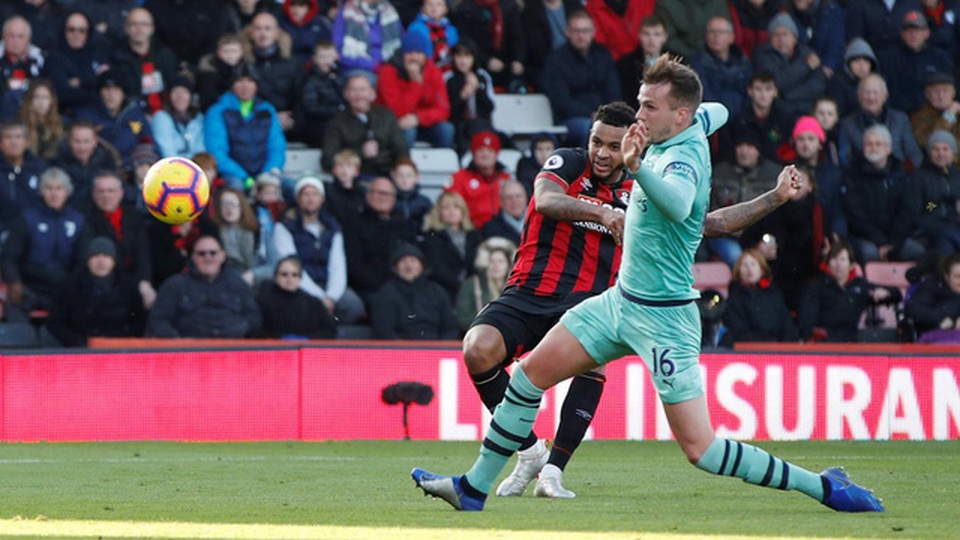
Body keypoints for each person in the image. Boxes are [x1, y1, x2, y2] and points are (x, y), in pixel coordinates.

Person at [411, 55, 885, 513]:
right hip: (618, 302)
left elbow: (681, 207)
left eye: (648, 107)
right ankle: (473, 488)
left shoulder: (681, 161)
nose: (639, 115)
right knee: (528, 378)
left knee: (703, 449)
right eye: (640, 103)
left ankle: (822, 485)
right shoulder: (696, 120)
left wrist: (637, 167)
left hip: (665, 318)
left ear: (677, 115)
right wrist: (774, 192)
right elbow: (717, 114)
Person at [273, 174, 366, 324]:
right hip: (299, 285)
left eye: (315, 194)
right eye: (306, 194)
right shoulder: (284, 227)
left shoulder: (332, 228)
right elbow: (291, 266)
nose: (310, 199)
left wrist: (331, 296)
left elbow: (338, 265)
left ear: (321, 199)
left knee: (353, 306)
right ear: (298, 198)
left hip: (327, 285)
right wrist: (320, 297)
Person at [1, 167, 84, 323]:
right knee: (14, 301)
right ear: (41, 191)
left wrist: (74, 285)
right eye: (49, 188)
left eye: (59, 188)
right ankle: (21, 347)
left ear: (67, 192)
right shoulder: (26, 218)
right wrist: (14, 281)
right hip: (30, 288)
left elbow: (83, 259)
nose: (54, 194)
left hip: (65, 289)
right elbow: (9, 256)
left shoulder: (78, 220)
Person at [146, 234, 262, 338]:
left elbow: (253, 318)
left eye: (213, 253)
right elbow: (159, 321)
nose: (208, 258)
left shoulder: (238, 284)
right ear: (194, 258)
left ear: (222, 256)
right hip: (188, 355)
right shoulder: (174, 285)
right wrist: (179, 344)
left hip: (234, 353)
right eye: (202, 253)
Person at [842, 124, 926, 263]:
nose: (873, 148)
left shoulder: (903, 174)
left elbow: (908, 210)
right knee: (869, 253)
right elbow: (854, 214)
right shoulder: (852, 174)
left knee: (917, 251)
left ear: (888, 148)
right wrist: (879, 241)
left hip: (897, 237)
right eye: (869, 144)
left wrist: (892, 242)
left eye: (878, 144)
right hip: (865, 237)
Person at [540, 10, 621, 148]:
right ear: (567, 32)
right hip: (571, 119)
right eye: (576, 31)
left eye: (585, 31)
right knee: (588, 128)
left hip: (604, 116)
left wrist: (607, 114)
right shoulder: (556, 60)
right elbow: (562, 101)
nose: (581, 36)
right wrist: (592, 115)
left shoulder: (603, 55)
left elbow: (613, 91)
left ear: (593, 32)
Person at [203, 63, 287, 194]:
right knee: (236, 188)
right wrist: (245, 178)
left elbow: (277, 147)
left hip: (264, 173)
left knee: (289, 187)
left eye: (250, 81)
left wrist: (268, 173)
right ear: (232, 85)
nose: (245, 86)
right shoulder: (218, 111)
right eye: (240, 81)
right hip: (234, 175)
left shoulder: (267, 109)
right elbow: (217, 152)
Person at [47, 236, 146, 347]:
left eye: (106, 256)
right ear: (87, 260)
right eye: (95, 256)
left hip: (119, 349)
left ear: (114, 260)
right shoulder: (70, 286)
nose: (101, 260)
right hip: (81, 350)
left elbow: (138, 321)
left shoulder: (129, 287)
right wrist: (78, 342)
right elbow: (56, 322)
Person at [79, 170, 156, 309]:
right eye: (101, 191)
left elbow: (142, 253)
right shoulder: (86, 219)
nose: (106, 196)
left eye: (111, 191)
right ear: (94, 195)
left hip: (135, 280)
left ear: (120, 193)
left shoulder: (134, 217)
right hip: (106, 281)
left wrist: (145, 281)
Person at [797, 240, 900, 342]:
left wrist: (886, 293)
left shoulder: (859, 285)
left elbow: (897, 294)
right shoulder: (815, 286)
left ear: (851, 265)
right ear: (827, 264)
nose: (838, 264)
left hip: (850, 345)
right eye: (834, 259)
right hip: (824, 345)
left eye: (842, 260)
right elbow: (806, 325)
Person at [376, 31, 455, 150]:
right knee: (408, 130)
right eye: (409, 53)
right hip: (394, 124)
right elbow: (395, 112)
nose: (414, 57)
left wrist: (418, 118)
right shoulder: (388, 71)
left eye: (418, 53)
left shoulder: (433, 71)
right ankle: (403, 165)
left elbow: (443, 110)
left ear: (424, 56)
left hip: (422, 122)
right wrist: (416, 83)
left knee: (446, 130)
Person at [321, 72, 408, 177]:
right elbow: (327, 159)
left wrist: (400, 169)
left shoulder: (386, 115)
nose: (359, 95)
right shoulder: (336, 122)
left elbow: (401, 149)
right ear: (346, 94)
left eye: (363, 90)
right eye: (353, 90)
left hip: (387, 173)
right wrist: (361, 153)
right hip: (354, 178)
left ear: (372, 94)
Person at [369, 241, 461, 339]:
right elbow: (385, 331)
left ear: (422, 266)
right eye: (403, 261)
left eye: (413, 261)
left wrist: (442, 349)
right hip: (401, 350)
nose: (408, 266)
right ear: (395, 267)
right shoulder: (386, 293)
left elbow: (450, 328)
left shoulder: (437, 291)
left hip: (437, 349)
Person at [74, 67, 155, 175]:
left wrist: (144, 163)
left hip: (131, 171)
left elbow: (146, 140)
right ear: (100, 92)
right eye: (106, 89)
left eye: (116, 89)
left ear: (123, 93)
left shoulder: (135, 114)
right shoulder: (87, 115)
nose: (111, 94)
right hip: (97, 171)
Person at [752, 13, 829, 124]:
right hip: (778, 113)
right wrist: (805, 66)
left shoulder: (808, 53)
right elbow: (776, 81)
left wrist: (787, 95)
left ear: (795, 38)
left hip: (808, 110)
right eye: (776, 35)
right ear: (770, 39)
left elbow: (818, 85)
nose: (781, 39)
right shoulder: (763, 55)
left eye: (785, 34)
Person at [840, 73, 924, 169]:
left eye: (876, 93)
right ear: (859, 96)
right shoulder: (847, 124)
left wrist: (901, 172)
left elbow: (915, 155)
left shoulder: (900, 119)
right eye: (867, 93)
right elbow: (845, 160)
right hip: (863, 178)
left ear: (885, 96)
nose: (871, 98)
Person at [878, 10, 953, 115]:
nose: (913, 34)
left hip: (936, 114)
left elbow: (949, 88)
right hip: (899, 115)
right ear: (902, 34)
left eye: (917, 30)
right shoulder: (889, 59)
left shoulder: (939, 58)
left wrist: (950, 112)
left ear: (927, 33)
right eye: (908, 30)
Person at [108, 7, 180, 114]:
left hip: (167, 113)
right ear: (126, 28)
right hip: (133, 114)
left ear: (152, 28)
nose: (139, 28)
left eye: (144, 24)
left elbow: (173, 84)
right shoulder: (116, 57)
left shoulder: (165, 54)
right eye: (134, 24)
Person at [720, 248, 798, 347]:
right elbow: (740, 332)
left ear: (761, 269)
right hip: (750, 351)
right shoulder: (734, 298)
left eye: (753, 264)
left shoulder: (773, 293)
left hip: (779, 350)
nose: (749, 269)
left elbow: (787, 325)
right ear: (738, 272)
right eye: (744, 265)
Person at [40, 10, 108, 117]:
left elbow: (108, 85)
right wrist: (93, 85)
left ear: (88, 33)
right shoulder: (54, 59)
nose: (76, 34)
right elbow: (59, 93)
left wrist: (80, 82)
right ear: (64, 31)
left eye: (82, 30)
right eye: (71, 30)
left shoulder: (97, 55)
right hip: (65, 116)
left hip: (98, 114)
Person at [244, 12, 300, 136]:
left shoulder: (292, 64)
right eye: (258, 29)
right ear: (251, 33)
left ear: (277, 33)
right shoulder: (243, 64)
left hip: (289, 125)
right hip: (253, 127)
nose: (263, 34)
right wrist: (272, 119)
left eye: (268, 29)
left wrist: (292, 118)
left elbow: (300, 98)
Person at [420, 190, 481, 301]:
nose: (451, 211)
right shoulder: (432, 237)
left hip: (472, 291)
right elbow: (437, 269)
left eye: (456, 207)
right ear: (439, 212)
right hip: (444, 293)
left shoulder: (474, 236)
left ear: (463, 211)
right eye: (446, 207)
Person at [256, 256, 337, 339]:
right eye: (284, 274)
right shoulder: (263, 300)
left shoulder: (312, 303)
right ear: (276, 277)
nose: (289, 279)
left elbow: (329, 330)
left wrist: (309, 340)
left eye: (294, 275)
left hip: (306, 350)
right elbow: (256, 329)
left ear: (300, 278)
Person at [444, 130, 513, 228]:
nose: (485, 155)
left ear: (496, 154)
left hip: (503, 230)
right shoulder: (459, 178)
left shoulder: (506, 178)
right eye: (480, 150)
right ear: (473, 153)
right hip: (470, 230)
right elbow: (449, 207)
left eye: (490, 151)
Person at [689, 16, 753, 120]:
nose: (716, 36)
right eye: (712, 32)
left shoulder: (744, 63)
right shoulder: (696, 64)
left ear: (732, 37)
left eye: (721, 32)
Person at [50, 121, 122, 209]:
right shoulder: (56, 162)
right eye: (77, 141)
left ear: (95, 141)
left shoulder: (107, 160)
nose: (82, 147)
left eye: (86, 141)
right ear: (69, 142)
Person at [445, 40, 497, 156]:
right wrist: (463, 94)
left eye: (467, 56)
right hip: (458, 125)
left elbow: (490, 107)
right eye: (459, 56)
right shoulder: (449, 78)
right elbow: (448, 111)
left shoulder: (483, 76)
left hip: (482, 123)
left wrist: (478, 89)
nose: (463, 60)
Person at [456, 236, 516, 331]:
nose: (495, 266)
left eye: (500, 261)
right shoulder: (473, 284)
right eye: (492, 261)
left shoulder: (515, 287)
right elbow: (464, 318)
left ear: (508, 265)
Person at [332, 0, 403, 76]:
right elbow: (338, 50)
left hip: (389, 68)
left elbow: (401, 43)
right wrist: (373, 66)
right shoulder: (346, 12)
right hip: (357, 68)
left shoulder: (390, 12)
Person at [294, 40, 343, 148]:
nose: (327, 61)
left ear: (337, 57)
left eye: (330, 57)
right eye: (322, 57)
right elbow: (310, 107)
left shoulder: (339, 79)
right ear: (315, 59)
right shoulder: (309, 80)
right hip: (318, 125)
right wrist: (336, 110)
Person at [616, 14, 670, 109]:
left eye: (657, 34)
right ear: (639, 35)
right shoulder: (625, 65)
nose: (651, 39)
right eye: (646, 34)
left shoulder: (676, 61)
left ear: (665, 37)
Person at [904, 252, 960, 341]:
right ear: (947, 277)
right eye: (957, 277)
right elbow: (913, 309)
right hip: (937, 340)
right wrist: (945, 320)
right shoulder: (932, 288)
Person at [210, 187, 259, 286]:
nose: (229, 208)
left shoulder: (257, 231)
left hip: (254, 276)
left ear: (242, 207)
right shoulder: (213, 232)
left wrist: (252, 274)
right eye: (224, 204)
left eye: (234, 204)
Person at [151, 74, 206, 159]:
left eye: (184, 92)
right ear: (169, 97)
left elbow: (200, 151)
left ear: (190, 96)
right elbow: (168, 153)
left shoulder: (198, 118)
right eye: (176, 92)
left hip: (194, 168)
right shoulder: (161, 118)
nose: (180, 97)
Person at [910, 72, 960, 152]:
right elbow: (929, 141)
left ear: (953, 93)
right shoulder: (919, 116)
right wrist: (949, 115)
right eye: (935, 91)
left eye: (945, 90)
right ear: (927, 95)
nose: (941, 96)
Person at [197, 34, 246, 112]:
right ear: (218, 52)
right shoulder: (209, 74)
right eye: (226, 51)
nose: (230, 55)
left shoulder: (246, 70)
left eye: (234, 51)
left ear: (241, 53)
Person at [406, 0, 460, 72]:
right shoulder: (415, 28)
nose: (434, 8)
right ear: (423, 7)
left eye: (439, 4)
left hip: (450, 70)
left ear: (446, 9)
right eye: (429, 4)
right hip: (426, 71)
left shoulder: (451, 30)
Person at [18, 78, 64, 161]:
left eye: (45, 97)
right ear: (30, 100)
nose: (41, 102)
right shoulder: (20, 124)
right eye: (36, 97)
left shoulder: (62, 124)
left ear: (52, 101)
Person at [391, 157, 433, 236]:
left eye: (409, 175)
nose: (404, 179)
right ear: (394, 177)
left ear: (416, 178)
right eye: (400, 175)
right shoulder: (388, 200)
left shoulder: (424, 202)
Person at [480, 179, 527, 245]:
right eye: (509, 198)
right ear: (501, 202)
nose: (514, 201)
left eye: (518, 196)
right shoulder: (491, 229)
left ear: (525, 198)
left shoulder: (539, 222)